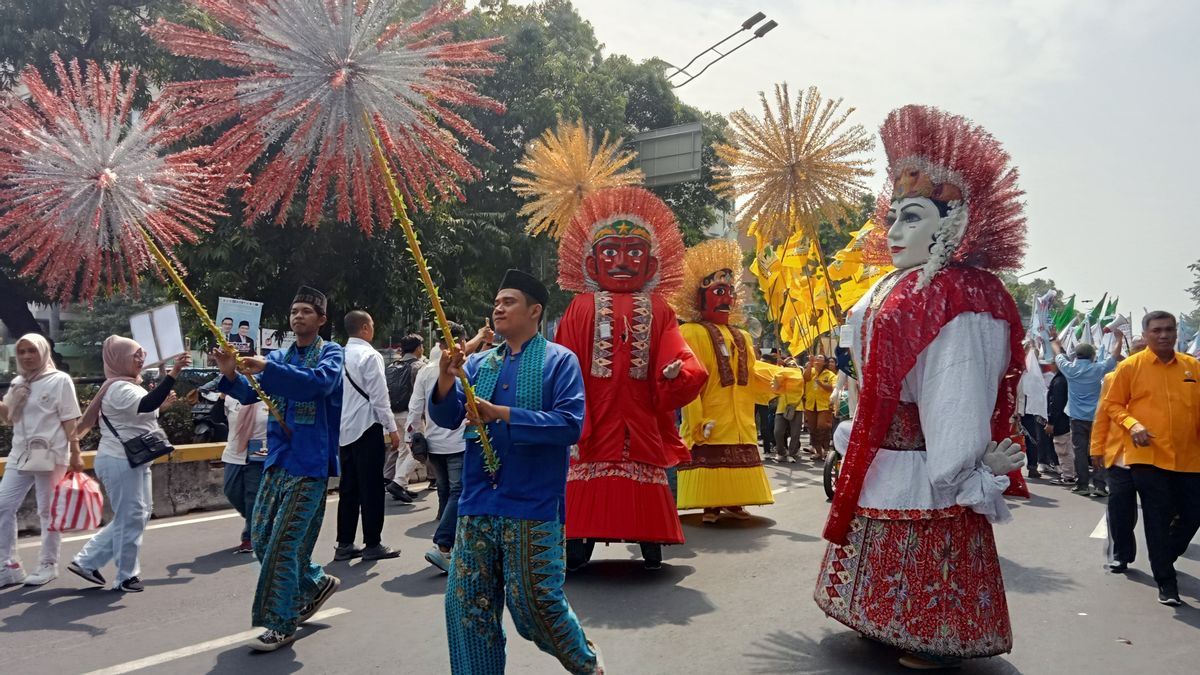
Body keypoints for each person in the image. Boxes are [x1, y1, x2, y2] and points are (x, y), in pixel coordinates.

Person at [814, 105, 1028, 669]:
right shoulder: (892, 286)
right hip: (879, 451)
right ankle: (876, 618)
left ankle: (926, 632)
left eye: (911, 218)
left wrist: (958, 466)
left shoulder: (960, 297)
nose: (893, 233)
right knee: (879, 536)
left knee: (922, 538)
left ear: (952, 225)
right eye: (893, 218)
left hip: (925, 457)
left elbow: (955, 392)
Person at [430, 269, 603, 674]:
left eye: (508, 301)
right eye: (496, 302)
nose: (498, 308)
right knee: (465, 603)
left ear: (535, 310)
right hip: (477, 504)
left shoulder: (559, 360)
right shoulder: (479, 365)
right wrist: (444, 375)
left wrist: (501, 414)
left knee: (534, 605)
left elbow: (569, 424)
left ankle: (586, 663)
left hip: (533, 504)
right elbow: (448, 414)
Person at [552, 186, 708, 571]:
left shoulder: (659, 309)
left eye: (634, 252)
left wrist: (678, 371)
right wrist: (567, 408)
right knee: (588, 469)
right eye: (610, 252)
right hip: (594, 411)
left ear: (651, 266)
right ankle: (579, 544)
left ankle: (649, 542)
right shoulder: (580, 306)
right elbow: (562, 360)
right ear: (592, 265)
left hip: (640, 413)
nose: (622, 260)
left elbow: (681, 354)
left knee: (642, 468)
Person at [215, 286, 343, 651]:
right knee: (261, 538)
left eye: (306, 311)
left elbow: (317, 384)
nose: (298, 316)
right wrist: (231, 373)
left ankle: (282, 624)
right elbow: (252, 393)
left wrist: (269, 368)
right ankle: (316, 583)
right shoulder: (281, 354)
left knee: (284, 546)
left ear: (321, 319)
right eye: (294, 311)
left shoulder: (331, 354)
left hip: (310, 465)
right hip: (277, 459)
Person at [669, 239, 801, 524]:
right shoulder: (691, 332)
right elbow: (690, 381)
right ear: (699, 298)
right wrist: (696, 420)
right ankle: (710, 505)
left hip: (740, 417)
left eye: (730, 292)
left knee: (739, 454)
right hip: (711, 417)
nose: (726, 298)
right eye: (718, 292)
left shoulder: (742, 336)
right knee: (710, 456)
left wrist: (780, 379)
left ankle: (734, 501)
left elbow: (753, 373)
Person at [68, 336, 190, 593]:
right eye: (134, 355)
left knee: (137, 515)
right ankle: (125, 576)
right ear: (118, 358)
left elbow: (143, 413)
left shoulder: (129, 385)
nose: (140, 359)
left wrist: (163, 404)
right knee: (131, 516)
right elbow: (146, 404)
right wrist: (174, 373)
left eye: (140, 354)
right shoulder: (119, 388)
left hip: (132, 459)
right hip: (120, 460)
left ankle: (87, 560)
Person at [1100, 311, 1200, 606]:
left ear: (1176, 333)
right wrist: (1133, 425)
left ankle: (1165, 555)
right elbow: (1112, 405)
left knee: (1192, 515)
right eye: (1157, 330)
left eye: (1169, 330)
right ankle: (1166, 583)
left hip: (1189, 457)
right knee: (1157, 517)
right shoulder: (1130, 367)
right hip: (1147, 456)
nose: (1164, 335)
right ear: (1146, 335)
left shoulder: (1192, 367)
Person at [0, 334, 83, 587]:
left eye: (32, 351)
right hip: (20, 454)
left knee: (47, 511)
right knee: (3, 506)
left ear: (43, 352)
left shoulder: (59, 380)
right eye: (22, 351)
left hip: (51, 453)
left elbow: (70, 419)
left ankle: (48, 564)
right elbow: (8, 418)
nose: (26, 356)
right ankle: (8, 566)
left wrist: (76, 453)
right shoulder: (18, 382)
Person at [409, 321, 491, 573]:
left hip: (434, 441)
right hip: (456, 441)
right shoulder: (465, 367)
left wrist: (413, 434)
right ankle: (444, 544)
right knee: (458, 492)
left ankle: (451, 541)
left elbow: (415, 405)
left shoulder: (426, 370)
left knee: (446, 492)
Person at [336, 310, 402, 562]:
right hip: (366, 427)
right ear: (365, 328)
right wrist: (392, 429)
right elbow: (379, 397)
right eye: (372, 325)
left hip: (344, 430)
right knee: (372, 488)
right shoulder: (369, 355)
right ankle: (372, 543)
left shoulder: (338, 355)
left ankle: (344, 543)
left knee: (348, 488)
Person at [1092, 336, 1145, 573]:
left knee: (1162, 514)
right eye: (1137, 349)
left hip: (1155, 460)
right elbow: (1102, 416)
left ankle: (1166, 558)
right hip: (1120, 458)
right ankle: (1121, 555)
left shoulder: (1166, 379)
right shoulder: (1112, 379)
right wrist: (1096, 448)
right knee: (1120, 509)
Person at [1050, 327, 1122, 496]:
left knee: (1079, 451)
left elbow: (1057, 353)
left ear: (1076, 356)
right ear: (1092, 356)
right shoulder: (1098, 369)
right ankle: (1099, 486)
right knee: (1098, 451)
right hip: (1097, 418)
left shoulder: (1069, 369)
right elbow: (1114, 357)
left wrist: (1054, 339)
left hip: (1076, 417)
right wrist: (1118, 338)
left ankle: (1082, 485)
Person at [221, 397, 268, 554]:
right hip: (234, 452)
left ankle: (250, 536)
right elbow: (216, 417)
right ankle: (256, 520)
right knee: (231, 490)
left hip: (259, 453)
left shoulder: (270, 394)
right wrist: (221, 398)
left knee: (253, 497)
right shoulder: (232, 396)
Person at [384, 334, 424, 503]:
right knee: (420, 450)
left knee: (403, 450)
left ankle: (401, 486)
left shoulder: (391, 366)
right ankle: (399, 483)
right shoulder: (419, 366)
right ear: (418, 348)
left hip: (394, 414)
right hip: (411, 414)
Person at [803, 355, 837, 461]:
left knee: (822, 426)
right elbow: (805, 378)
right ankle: (818, 451)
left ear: (825, 362)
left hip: (824, 405)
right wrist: (809, 364)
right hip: (810, 404)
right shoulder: (810, 370)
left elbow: (832, 388)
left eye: (820, 358)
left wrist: (821, 384)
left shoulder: (830, 374)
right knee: (812, 429)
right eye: (816, 358)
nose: (817, 360)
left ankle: (826, 449)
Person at [1046, 359, 1074, 484]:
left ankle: (1068, 476)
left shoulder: (1059, 381)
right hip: (1071, 417)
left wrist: (1051, 422)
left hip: (1061, 420)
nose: (1049, 366)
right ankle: (1072, 473)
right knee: (1070, 447)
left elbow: (1056, 403)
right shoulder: (1069, 378)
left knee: (1063, 448)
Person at [772, 358, 805, 462]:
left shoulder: (800, 374)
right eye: (789, 364)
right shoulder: (781, 374)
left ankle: (792, 453)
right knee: (778, 432)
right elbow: (775, 388)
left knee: (795, 433)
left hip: (796, 407)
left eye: (794, 364)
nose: (792, 365)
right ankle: (781, 452)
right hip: (782, 407)